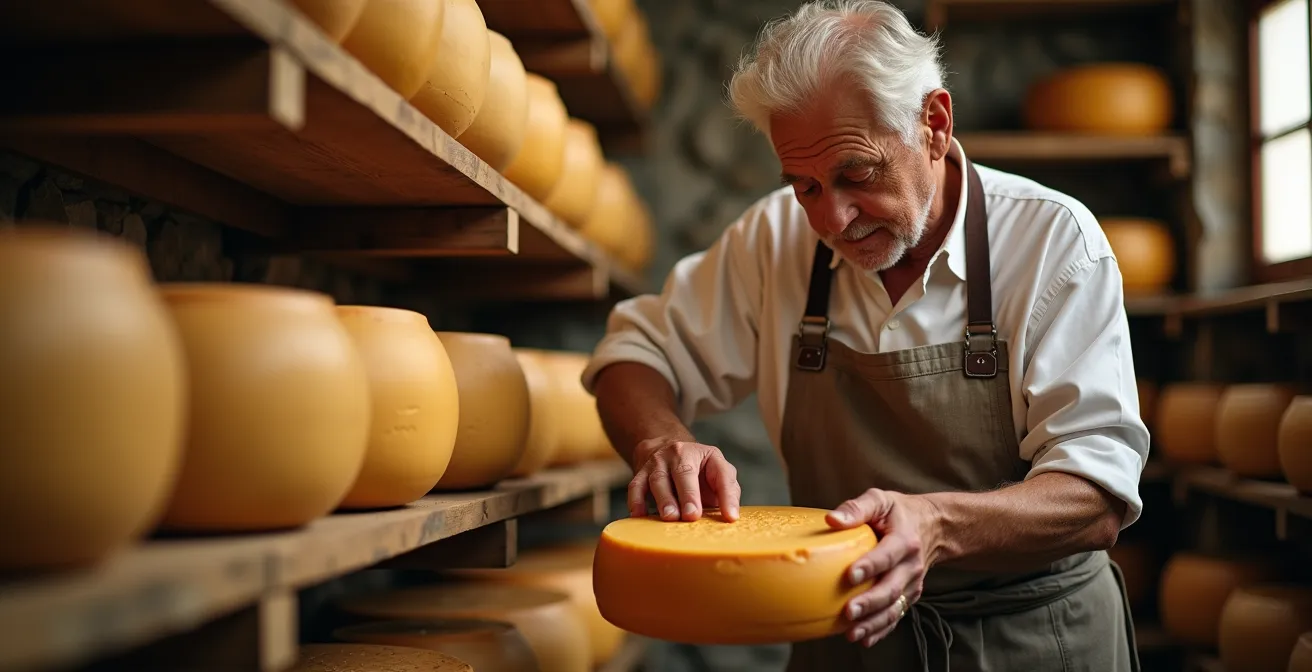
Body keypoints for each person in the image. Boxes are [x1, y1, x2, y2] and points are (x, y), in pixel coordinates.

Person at [582, 0, 1149, 670]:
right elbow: (632, 355)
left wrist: (937, 526)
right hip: (855, 644)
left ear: (933, 124)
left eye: (857, 174)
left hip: (1034, 639)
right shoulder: (776, 240)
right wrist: (662, 439)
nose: (832, 218)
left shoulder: (1053, 243)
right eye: (805, 186)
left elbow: (1096, 495)